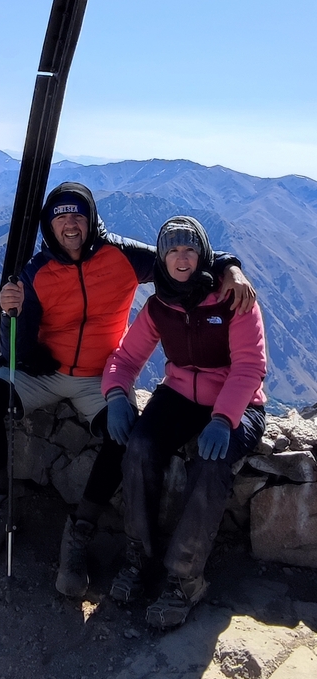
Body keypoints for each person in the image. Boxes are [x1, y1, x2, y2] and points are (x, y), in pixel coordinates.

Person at [0, 185, 254, 598]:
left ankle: (79, 533)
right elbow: (18, 349)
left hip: (97, 377)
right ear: (49, 223)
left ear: (92, 220)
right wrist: (10, 312)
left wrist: (232, 268)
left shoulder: (122, 255)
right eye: (61, 215)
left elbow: (182, 262)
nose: (70, 223)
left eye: (79, 215)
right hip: (43, 372)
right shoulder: (34, 271)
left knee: (122, 439)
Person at [102, 215, 266, 630]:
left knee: (211, 466)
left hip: (238, 402)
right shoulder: (161, 306)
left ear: (203, 254)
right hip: (179, 395)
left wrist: (224, 418)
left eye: (189, 249)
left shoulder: (234, 298)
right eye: (172, 249)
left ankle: (184, 578)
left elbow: (250, 366)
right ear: (161, 256)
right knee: (139, 446)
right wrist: (118, 394)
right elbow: (126, 357)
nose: (181, 257)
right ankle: (140, 557)